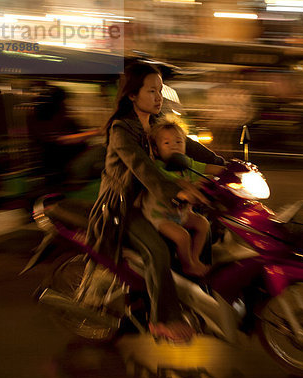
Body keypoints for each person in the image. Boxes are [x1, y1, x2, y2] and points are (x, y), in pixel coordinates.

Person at [86, 61, 223, 343]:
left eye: (161, 90)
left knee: (207, 224)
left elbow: (187, 144)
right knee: (157, 250)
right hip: (125, 206)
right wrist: (176, 191)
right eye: (152, 91)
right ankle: (162, 320)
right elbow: (143, 169)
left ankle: (199, 290)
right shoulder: (121, 131)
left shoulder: (157, 123)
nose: (159, 97)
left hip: (155, 200)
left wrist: (226, 165)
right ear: (132, 95)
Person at [142, 122, 224, 277]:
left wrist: (233, 170)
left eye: (179, 142)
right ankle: (188, 266)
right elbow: (174, 184)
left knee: (203, 224)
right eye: (167, 143)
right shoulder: (158, 168)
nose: (174, 146)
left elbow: (208, 168)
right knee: (182, 236)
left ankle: (194, 259)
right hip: (160, 216)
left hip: (180, 214)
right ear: (156, 149)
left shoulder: (187, 164)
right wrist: (187, 188)